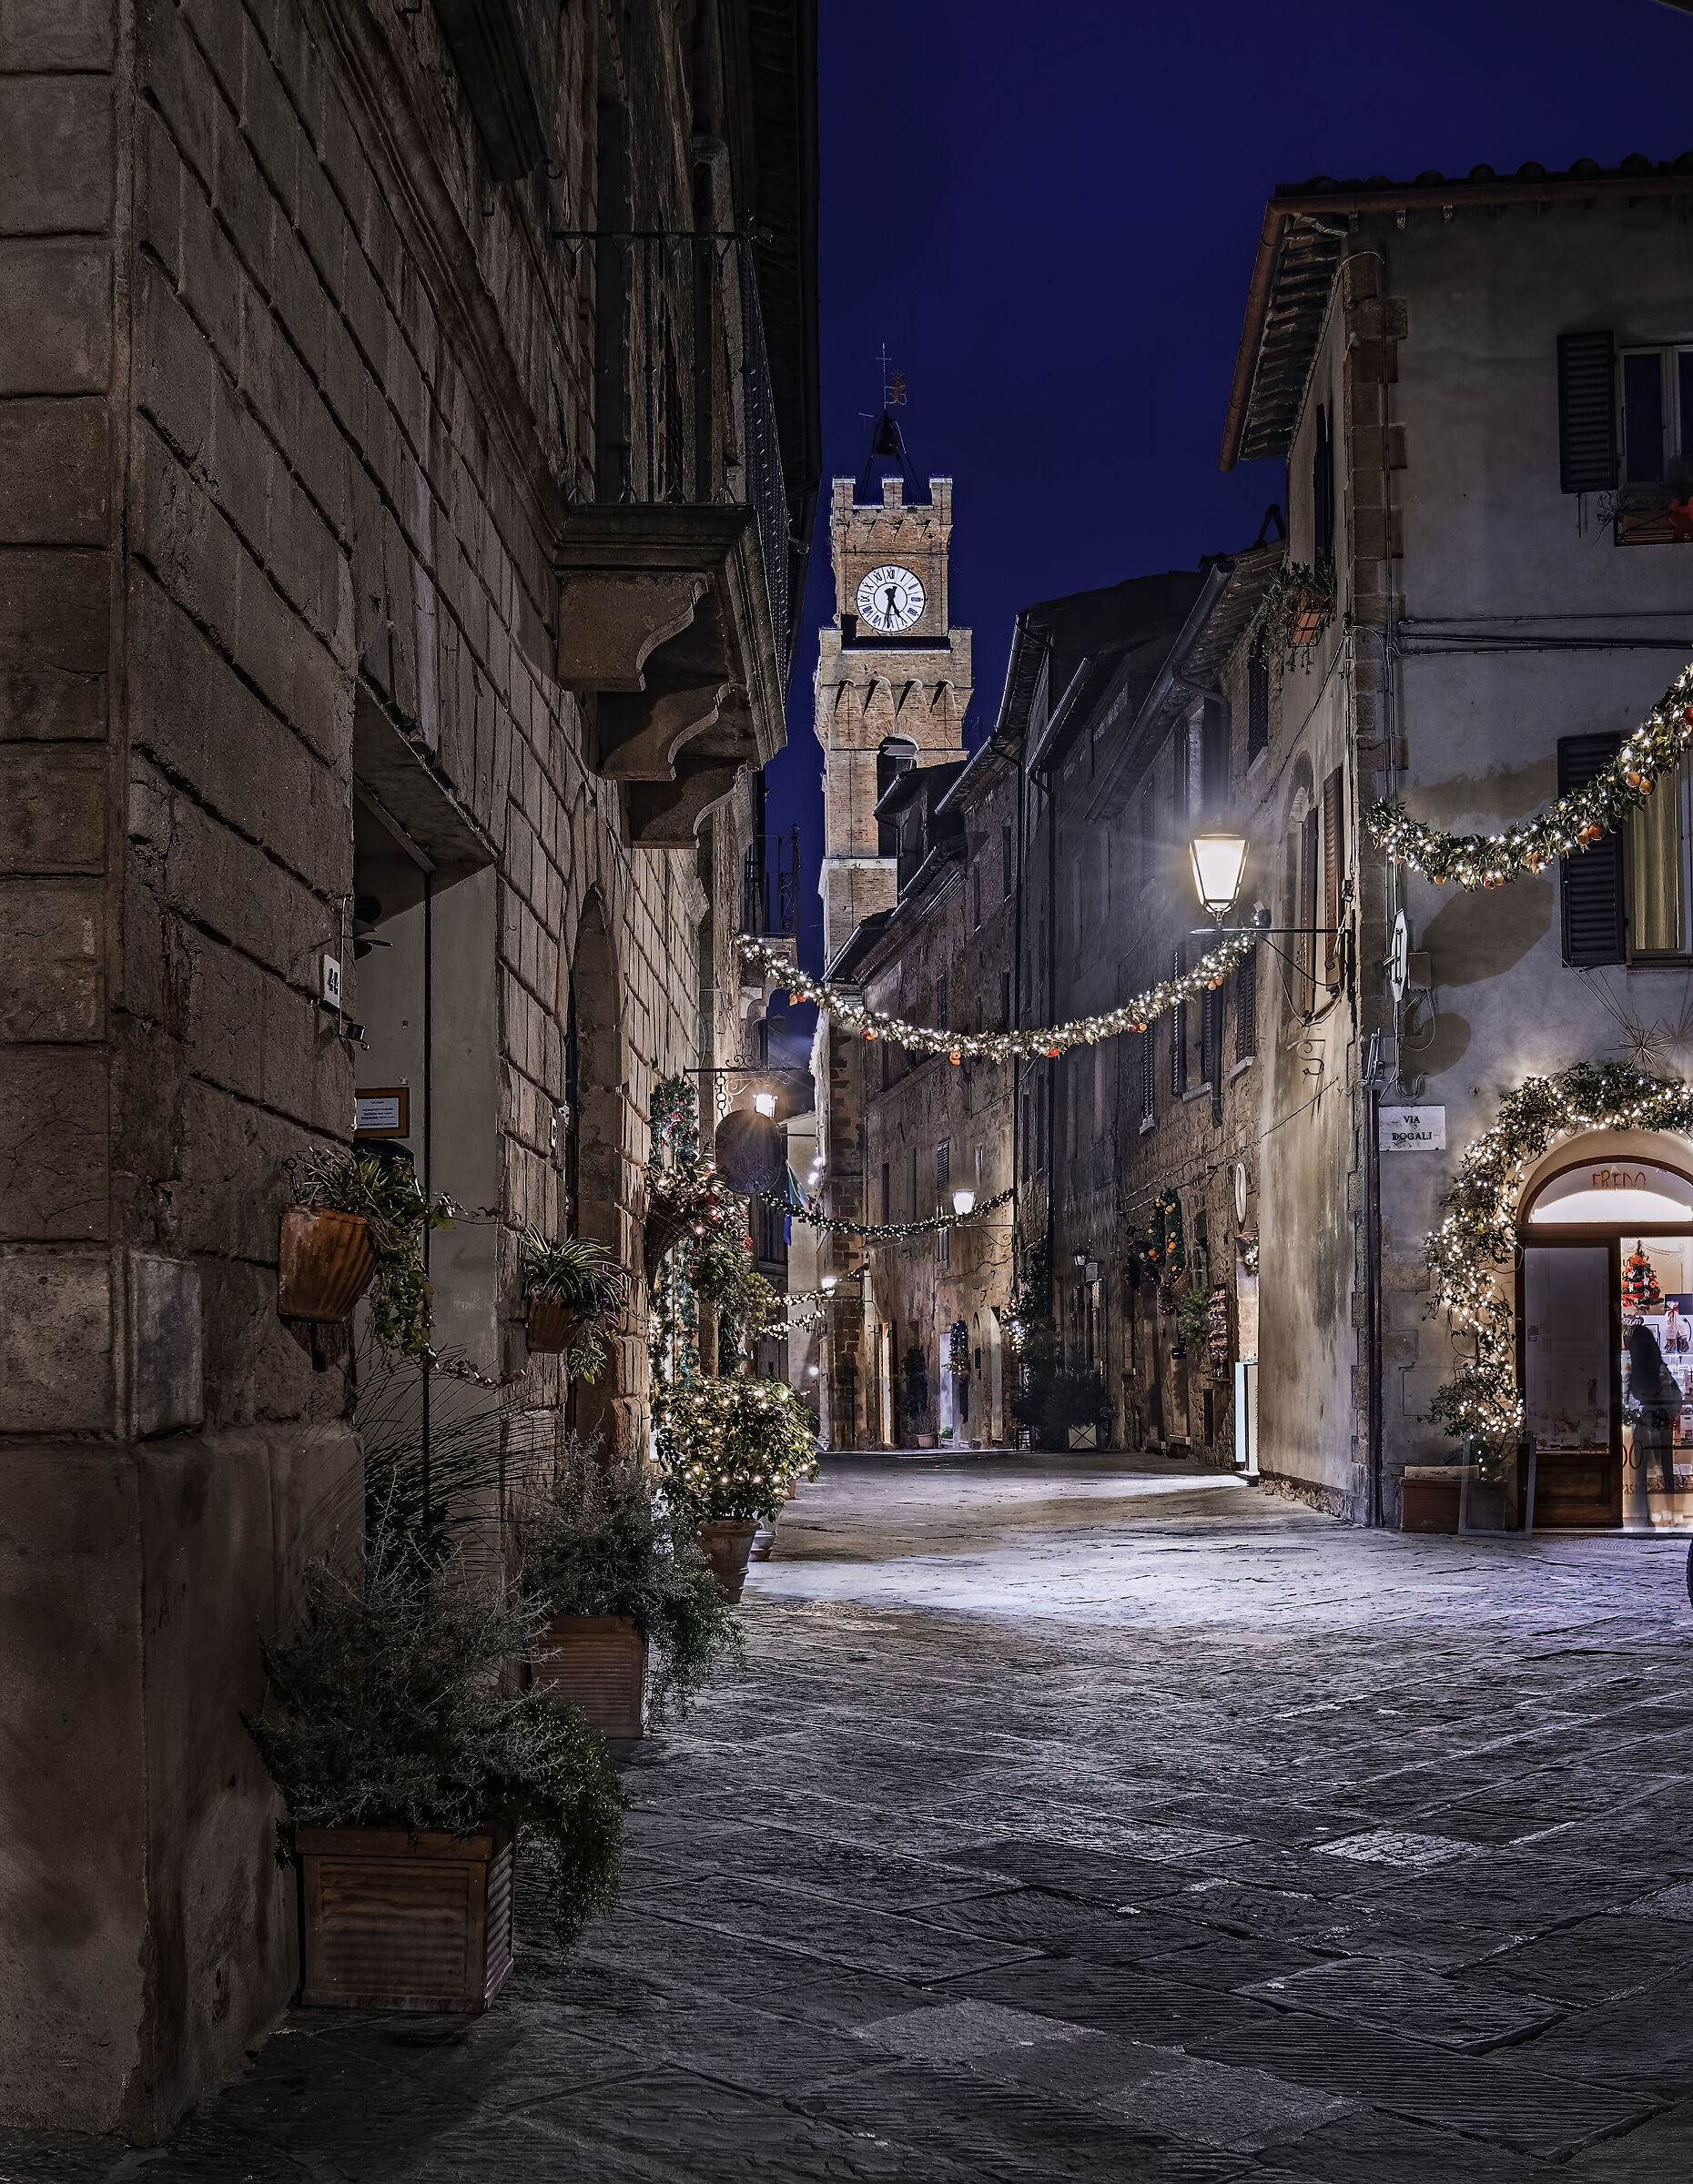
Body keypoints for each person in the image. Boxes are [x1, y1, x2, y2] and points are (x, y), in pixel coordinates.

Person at [1627, 1318, 1678, 1496]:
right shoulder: (1659, 1367)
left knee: (1643, 1471)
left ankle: (1646, 1512)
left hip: (1645, 1425)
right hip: (1662, 1424)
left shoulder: (1639, 1370)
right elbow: (1675, 1396)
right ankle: (1668, 1511)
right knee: (1665, 1466)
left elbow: (1635, 1395)